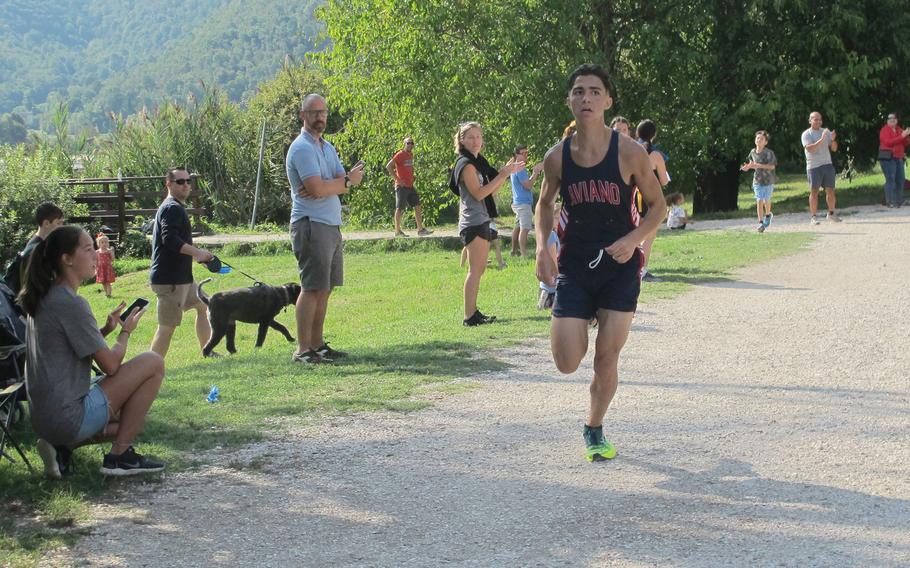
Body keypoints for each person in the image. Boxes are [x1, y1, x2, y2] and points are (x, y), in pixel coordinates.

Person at [535, 63, 666, 462]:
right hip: (575, 265)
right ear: (569, 101)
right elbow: (543, 203)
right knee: (566, 361)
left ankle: (594, 427)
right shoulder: (557, 158)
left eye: (594, 91)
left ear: (608, 100)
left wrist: (633, 240)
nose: (586, 98)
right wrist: (543, 246)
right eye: (578, 91)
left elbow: (658, 206)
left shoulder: (630, 152)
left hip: (619, 267)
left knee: (606, 356)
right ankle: (581, 317)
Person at [19, 225, 166, 478]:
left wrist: (106, 330)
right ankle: (118, 457)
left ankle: (61, 447)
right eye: (88, 249)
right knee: (153, 362)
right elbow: (111, 366)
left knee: (132, 417)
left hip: (45, 419)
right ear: (67, 259)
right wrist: (125, 332)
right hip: (68, 417)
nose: (96, 255)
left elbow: (66, 346)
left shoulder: (45, 297)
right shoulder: (71, 302)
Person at [287, 93, 365, 363]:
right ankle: (303, 349)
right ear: (303, 115)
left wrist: (336, 183)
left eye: (323, 112)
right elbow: (321, 187)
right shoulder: (301, 148)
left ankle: (317, 345)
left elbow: (338, 180)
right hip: (311, 225)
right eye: (313, 112)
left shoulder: (326, 147)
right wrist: (339, 182)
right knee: (311, 288)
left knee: (325, 288)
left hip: (330, 225)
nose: (320, 117)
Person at [452, 121, 522, 326]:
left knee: (479, 269)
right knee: (474, 270)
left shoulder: (478, 163)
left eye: (478, 137)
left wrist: (504, 174)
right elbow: (479, 193)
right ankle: (469, 316)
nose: (475, 141)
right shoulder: (465, 165)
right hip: (472, 221)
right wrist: (502, 174)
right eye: (471, 137)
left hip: (481, 218)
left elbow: (490, 191)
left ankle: (473, 312)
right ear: (462, 140)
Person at [149, 168, 215, 358]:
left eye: (188, 181)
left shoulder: (174, 207)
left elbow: (176, 241)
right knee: (166, 327)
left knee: (204, 306)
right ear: (168, 184)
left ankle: (207, 351)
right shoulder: (172, 208)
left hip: (182, 278)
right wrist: (198, 253)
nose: (186, 184)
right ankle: (150, 368)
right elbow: (170, 240)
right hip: (170, 280)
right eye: (180, 181)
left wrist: (197, 257)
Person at [2, 202, 64, 296]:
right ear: (46, 223)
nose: (61, 227)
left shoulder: (39, 244)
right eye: (58, 223)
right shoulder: (36, 250)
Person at [635, 119, 670, 282]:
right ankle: (642, 269)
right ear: (653, 135)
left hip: (632, 196)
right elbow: (663, 180)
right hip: (650, 198)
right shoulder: (655, 155)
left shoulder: (631, 150)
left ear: (637, 133)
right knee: (648, 235)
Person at [386, 137, 432, 236]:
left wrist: (412, 176)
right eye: (408, 143)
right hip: (401, 186)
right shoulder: (400, 154)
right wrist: (398, 179)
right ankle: (397, 231)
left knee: (417, 205)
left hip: (410, 185)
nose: (410, 145)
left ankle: (420, 230)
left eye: (412, 143)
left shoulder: (410, 155)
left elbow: (407, 167)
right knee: (400, 208)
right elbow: (388, 166)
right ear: (404, 144)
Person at [801, 112, 841, 224]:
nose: (818, 121)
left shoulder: (825, 132)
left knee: (831, 190)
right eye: (815, 119)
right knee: (814, 192)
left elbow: (834, 149)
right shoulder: (806, 134)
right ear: (810, 121)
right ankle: (813, 217)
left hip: (827, 164)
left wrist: (832, 139)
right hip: (813, 166)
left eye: (820, 119)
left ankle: (831, 214)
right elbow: (810, 149)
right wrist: (823, 138)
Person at [509, 145, 544, 257]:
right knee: (525, 229)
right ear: (516, 155)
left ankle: (514, 251)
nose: (526, 155)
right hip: (523, 203)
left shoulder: (513, 167)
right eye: (523, 153)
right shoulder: (520, 169)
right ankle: (524, 254)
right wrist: (535, 173)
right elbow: (528, 186)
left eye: (526, 153)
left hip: (518, 202)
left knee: (518, 227)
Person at [741, 130, 777, 232]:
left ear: (766, 142)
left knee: (766, 200)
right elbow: (751, 163)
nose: (759, 140)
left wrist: (759, 165)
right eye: (757, 138)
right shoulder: (752, 152)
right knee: (759, 200)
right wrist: (747, 167)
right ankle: (760, 223)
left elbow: (772, 166)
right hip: (757, 180)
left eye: (761, 139)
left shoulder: (769, 153)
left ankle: (768, 215)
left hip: (768, 180)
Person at [878, 112, 910, 208]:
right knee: (891, 179)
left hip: (899, 157)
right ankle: (889, 201)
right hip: (888, 158)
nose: (892, 119)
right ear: (887, 120)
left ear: (897, 120)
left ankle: (899, 200)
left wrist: (906, 136)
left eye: (894, 118)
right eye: (889, 118)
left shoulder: (899, 129)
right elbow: (888, 142)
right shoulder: (884, 130)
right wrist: (901, 136)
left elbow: (905, 143)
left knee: (900, 179)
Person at [537, 202, 561, 309]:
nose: (559, 221)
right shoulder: (551, 235)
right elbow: (553, 259)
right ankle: (547, 299)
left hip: (546, 283)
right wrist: (558, 275)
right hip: (551, 284)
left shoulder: (545, 233)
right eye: (556, 218)